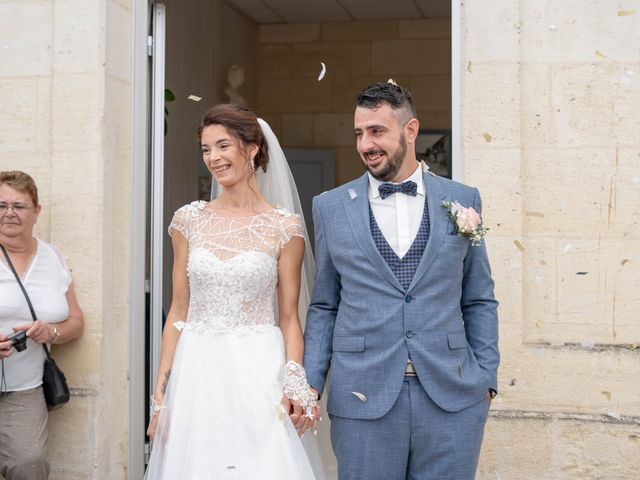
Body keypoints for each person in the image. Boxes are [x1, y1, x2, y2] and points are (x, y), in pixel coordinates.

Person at [303, 81, 500, 479]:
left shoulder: (462, 200)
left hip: (453, 397)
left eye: (377, 131)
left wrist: (486, 377)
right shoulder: (330, 207)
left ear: (410, 131)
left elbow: (478, 298)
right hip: (362, 397)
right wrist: (311, 382)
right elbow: (325, 305)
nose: (365, 144)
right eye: (359, 133)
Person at [145, 104, 323, 479]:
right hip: (198, 371)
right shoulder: (188, 221)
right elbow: (178, 312)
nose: (213, 157)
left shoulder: (284, 228)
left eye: (223, 146)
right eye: (206, 149)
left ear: (252, 148)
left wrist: (295, 379)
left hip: (259, 368)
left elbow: (290, 318)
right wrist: (161, 395)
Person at [0, 170, 84, 480]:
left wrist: (52, 332)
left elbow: (76, 321)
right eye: (1, 205)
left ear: (37, 211)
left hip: (24, 387)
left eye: (18, 206)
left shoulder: (54, 258)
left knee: (29, 464)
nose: (9, 213)